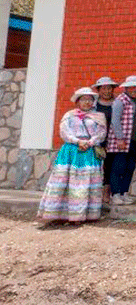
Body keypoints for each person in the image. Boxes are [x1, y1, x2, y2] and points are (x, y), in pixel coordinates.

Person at [37, 87, 107, 224]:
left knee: (84, 183)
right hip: (70, 152)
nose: (87, 102)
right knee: (65, 182)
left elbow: (101, 133)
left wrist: (90, 142)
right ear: (78, 101)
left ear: (93, 102)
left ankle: (81, 215)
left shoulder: (99, 116)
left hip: (89, 152)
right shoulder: (69, 115)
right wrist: (77, 141)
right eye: (83, 99)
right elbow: (64, 132)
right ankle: (59, 214)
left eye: (89, 100)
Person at [106, 75, 136, 206]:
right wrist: (120, 138)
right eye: (132, 87)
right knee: (118, 167)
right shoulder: (120, 100)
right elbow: (115, 120)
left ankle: (124, 193)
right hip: (122, 140)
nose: (134, 89)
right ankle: (115, 194)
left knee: (130, 167)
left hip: (134, 139)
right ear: (127, 88)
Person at [93, 76, 118, 205]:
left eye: (109, 88)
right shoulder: (94, 105)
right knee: (95, 167)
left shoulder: (117, 103)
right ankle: (93, 194)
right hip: (96, 140)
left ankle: (106, 193)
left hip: (112, 140)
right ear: (98, 90)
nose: (106, 91)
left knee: (109, 167)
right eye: (103, 88)